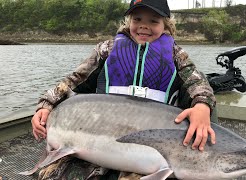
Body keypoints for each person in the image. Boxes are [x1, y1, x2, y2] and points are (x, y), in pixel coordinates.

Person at [31, 0, 216, 178]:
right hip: (100, 129)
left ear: (166, 25)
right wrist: (45, 105)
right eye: (137, 19)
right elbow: (73, 81)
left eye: (153, 20)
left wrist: (202, 105)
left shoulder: (177, 55)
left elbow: (198, 83)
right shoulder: (106, 49)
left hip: (152, 139)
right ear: (128, 21)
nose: (144, 26)